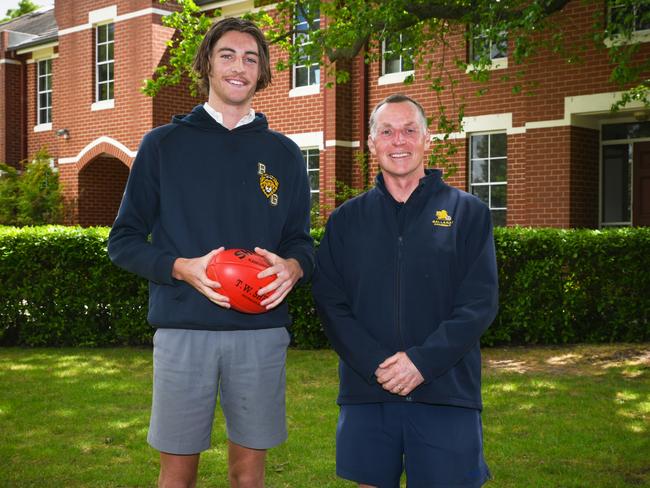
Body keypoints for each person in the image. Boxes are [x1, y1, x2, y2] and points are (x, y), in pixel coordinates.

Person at [107, 17, 313, 488]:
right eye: (227, 55)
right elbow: (124, 241)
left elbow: (300, 240)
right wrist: (180, 267)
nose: (239, 67)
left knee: (248, 475)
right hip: (183, 331)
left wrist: (295, 266)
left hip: (260, 331)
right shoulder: (163, 145)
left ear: (260, 73)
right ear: (206, 65)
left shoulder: (284, 154)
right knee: (177, 477)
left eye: (250, 58)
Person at [312, 94, 498, 488]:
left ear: (427, 140)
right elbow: (330, 303)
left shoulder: (468, 213)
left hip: (445, 391)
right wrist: (378, 364)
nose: (399, 141)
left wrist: (421, 363)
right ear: (371, 143)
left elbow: (479, 303)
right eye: (388, 131)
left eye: (410, 130)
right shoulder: (345, 220)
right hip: (369, 391)